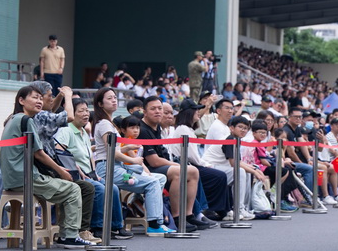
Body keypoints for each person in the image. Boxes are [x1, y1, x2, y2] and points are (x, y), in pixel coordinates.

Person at [0, 85, 92, 248]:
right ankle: (69, 236)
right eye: (34, 97)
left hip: (11, 178)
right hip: (26, 177)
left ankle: (67, 234)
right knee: (73, 189)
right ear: (21, 100)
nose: (39, 101)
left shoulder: (12, 119)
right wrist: (61, 170)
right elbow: (39, 153)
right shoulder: (26, 120)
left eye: (41, 98)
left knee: (71, 187)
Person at [91, 87, 172, 236]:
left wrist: (126, 148)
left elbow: (109, 149)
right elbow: (111, 152)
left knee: (160, 178)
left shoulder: (108, 124)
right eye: (109, 98)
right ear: (100, 104)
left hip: (116, 167)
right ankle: (154, 224)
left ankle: (139, 199)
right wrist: (133, 159)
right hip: (109, 168)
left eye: (115, 97)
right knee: (152, 182)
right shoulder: (104, 124)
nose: (114, 100)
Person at [55, 98, 131, 240]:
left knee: (112, 187)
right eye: (80, 111)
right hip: (74, 175)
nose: (85, 114)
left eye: (86, 110)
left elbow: (89, 155)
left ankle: (116, 226)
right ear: (72, 113)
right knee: (100, 189)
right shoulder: (66, 130)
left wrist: (95, 173)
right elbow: (60, 153)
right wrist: (77, 169)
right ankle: (97, 227)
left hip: (89, 174)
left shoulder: (84, 132)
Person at [138, 96, 218, 230]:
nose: (158, 111)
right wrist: (178, 165)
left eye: (160, 109)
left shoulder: (156, 128)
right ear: (144, 112)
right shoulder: (142, 129)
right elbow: (154, 161)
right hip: (145, 169)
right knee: (180, 171)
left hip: (159, 166)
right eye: (153, 109)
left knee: (193, 171)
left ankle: (189, 214)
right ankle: (177, 217)